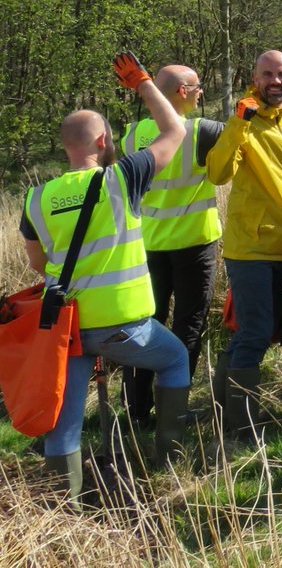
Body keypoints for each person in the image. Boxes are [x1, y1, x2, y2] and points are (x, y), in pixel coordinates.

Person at [22, 53, 188, 506]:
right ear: (102, 139)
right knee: (175, 362)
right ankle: (170, 461)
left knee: (66, 423)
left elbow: (40, 264)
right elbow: (176, 131)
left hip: (67, 329)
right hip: (123, 326)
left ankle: (62, 515)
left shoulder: (37, 198)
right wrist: (145, 85)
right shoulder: (121, 178)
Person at [206, 50, 282, 441]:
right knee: (257, 332)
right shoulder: (243, 121)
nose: (275, 81)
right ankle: (241, 428)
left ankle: (222, 406)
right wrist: (238, 124)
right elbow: (217, 172)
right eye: (267, 75)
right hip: (250, 249)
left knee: (256, 331)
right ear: (255, 78)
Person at [119, 64, 223, 428]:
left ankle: (135, 408)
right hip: (194, 245)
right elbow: (251, 133)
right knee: (188, 325)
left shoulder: (131, 135)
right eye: (197, 87)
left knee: (145, 326)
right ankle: (173, 408)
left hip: (146, 248)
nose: (201, 93)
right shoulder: (201, 131)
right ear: (181, 91)